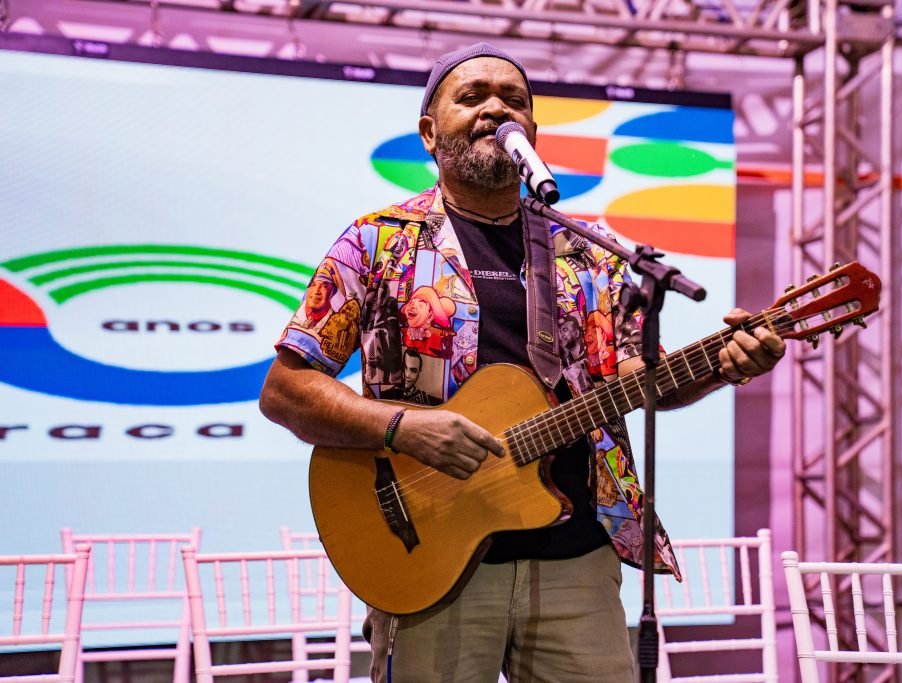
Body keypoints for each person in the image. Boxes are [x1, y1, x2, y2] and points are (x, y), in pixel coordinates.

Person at [260, 42, 787, 683]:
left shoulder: (590, 252)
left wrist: (721, 365)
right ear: (429, 133)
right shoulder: (379, 242)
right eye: (472, 96)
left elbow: (630, 379)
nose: (496, 109)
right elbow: (285, 390)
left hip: (578, 559)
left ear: (532, 133)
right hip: (430, 561)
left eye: (514, 100)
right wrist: (402, 428)